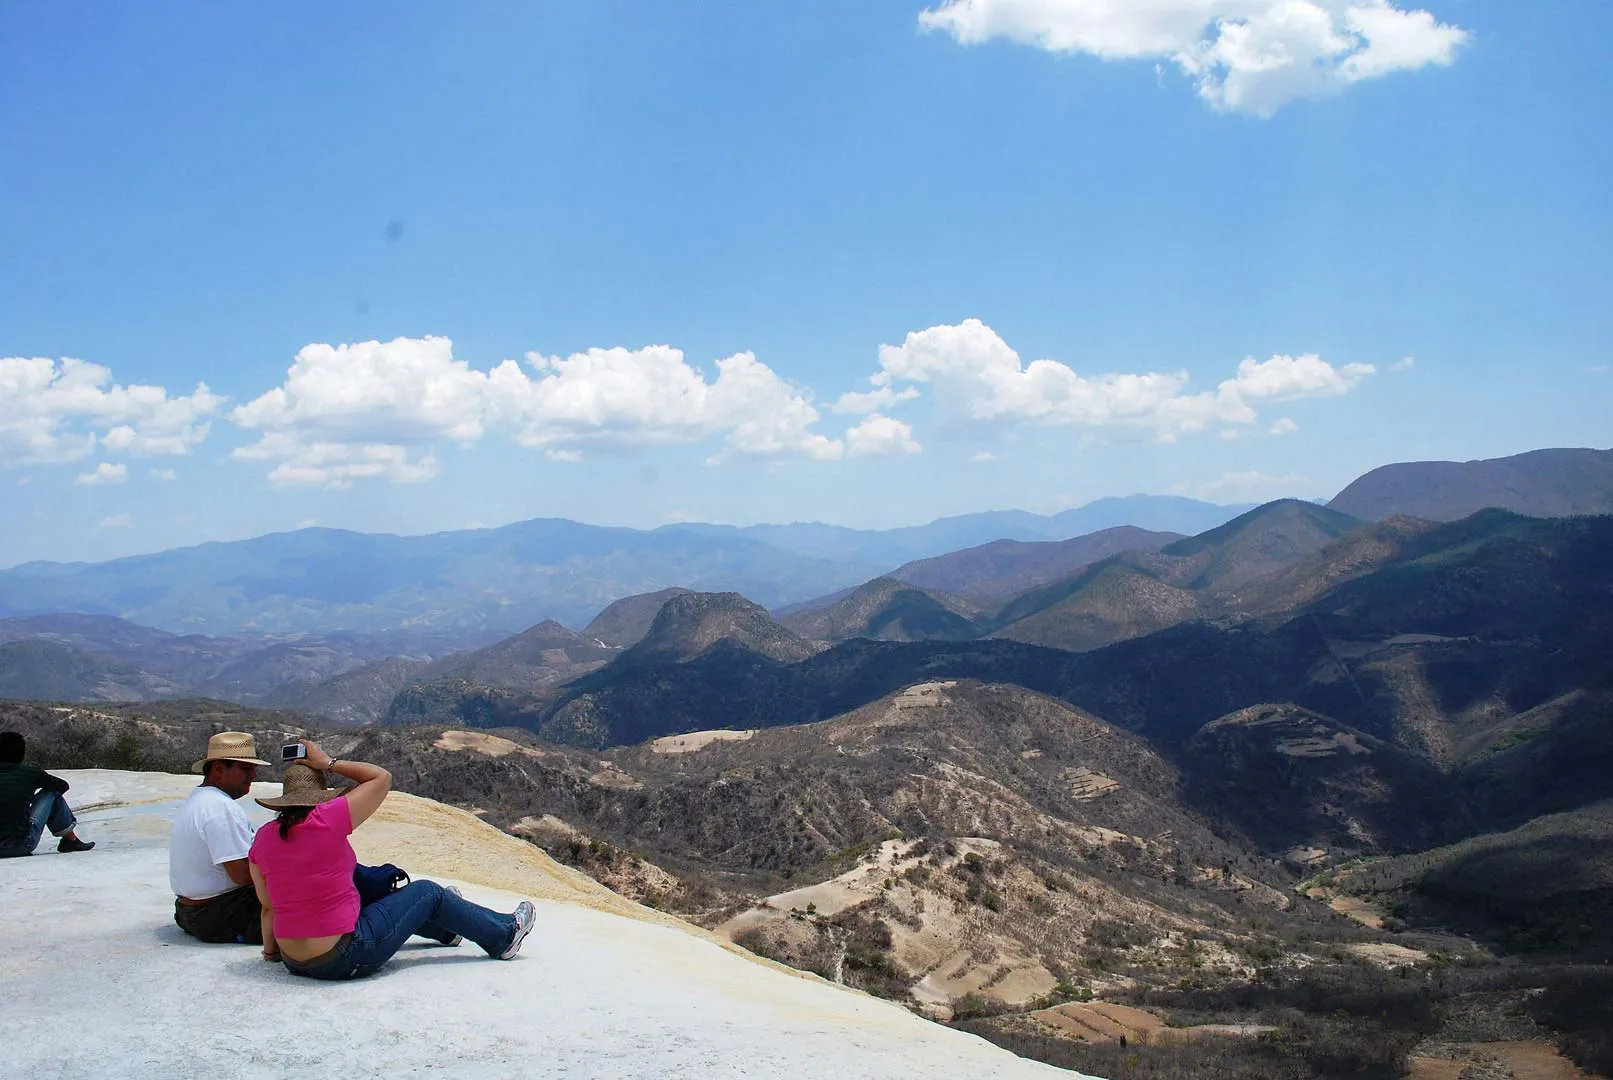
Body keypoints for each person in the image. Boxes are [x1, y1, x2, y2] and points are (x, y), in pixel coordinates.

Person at [249, 741, 536, 979]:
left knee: (364, 885)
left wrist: (272, 954)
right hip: (343, 956)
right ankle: (504, 935)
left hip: (293, 961)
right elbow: (380, 778)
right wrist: (328, 763)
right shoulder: (327, 820)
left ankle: (447, 931)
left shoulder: (263, 838)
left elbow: (267, 907)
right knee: (428, 893)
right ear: (321, 798)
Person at [169, 731, 270, 944]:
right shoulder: (220, 808)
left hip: (188, 911)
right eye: (245, 768)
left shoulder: (198, 799)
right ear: (218, 770)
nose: (253, 774)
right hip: (219, 914)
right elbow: (241, 875)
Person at [0, 731, 94, 858]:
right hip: (21, 845)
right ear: (21, 754)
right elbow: (62, 786)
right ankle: (70, 840)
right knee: (51, 792)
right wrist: (26, 796)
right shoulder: (30, 773)